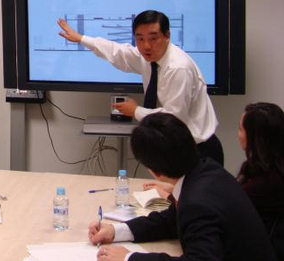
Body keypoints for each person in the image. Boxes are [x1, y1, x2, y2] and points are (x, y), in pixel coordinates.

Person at [89, 113, 276, 261]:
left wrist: (129, 258)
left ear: (154, 171)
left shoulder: (197, 202)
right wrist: (116, 231)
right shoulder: (208, 170)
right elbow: (171, 220)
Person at [58, 10, 223, 165]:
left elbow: (174, 118)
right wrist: (82, 38)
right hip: (177, 146)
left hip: (198, 151)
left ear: (167, 36)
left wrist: (136, 111)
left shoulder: (178, 68)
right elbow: (118, 52)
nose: (146, 46)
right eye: (140, 39)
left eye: (153, 38)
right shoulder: (150, 57)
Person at [237, 102, 284, 259]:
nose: (238, 134)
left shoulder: (264, 184)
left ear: (255, 137)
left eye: (240, 129)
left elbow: (227, 208)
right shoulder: (259, 169)